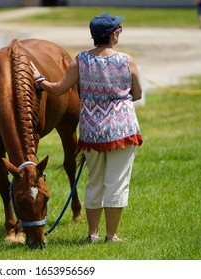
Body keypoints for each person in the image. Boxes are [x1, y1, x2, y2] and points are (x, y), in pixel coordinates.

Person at [30, 13, 143, 243]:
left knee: (94, 181)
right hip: (122, 130)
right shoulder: (127, 61)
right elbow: (138, 94)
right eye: (119, 31)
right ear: (113, 35)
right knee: (116, 182)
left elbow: (59, 88)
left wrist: (39, 80)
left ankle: (92, 234)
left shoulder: (81, 60)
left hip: (92, 131)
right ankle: (111, 235)